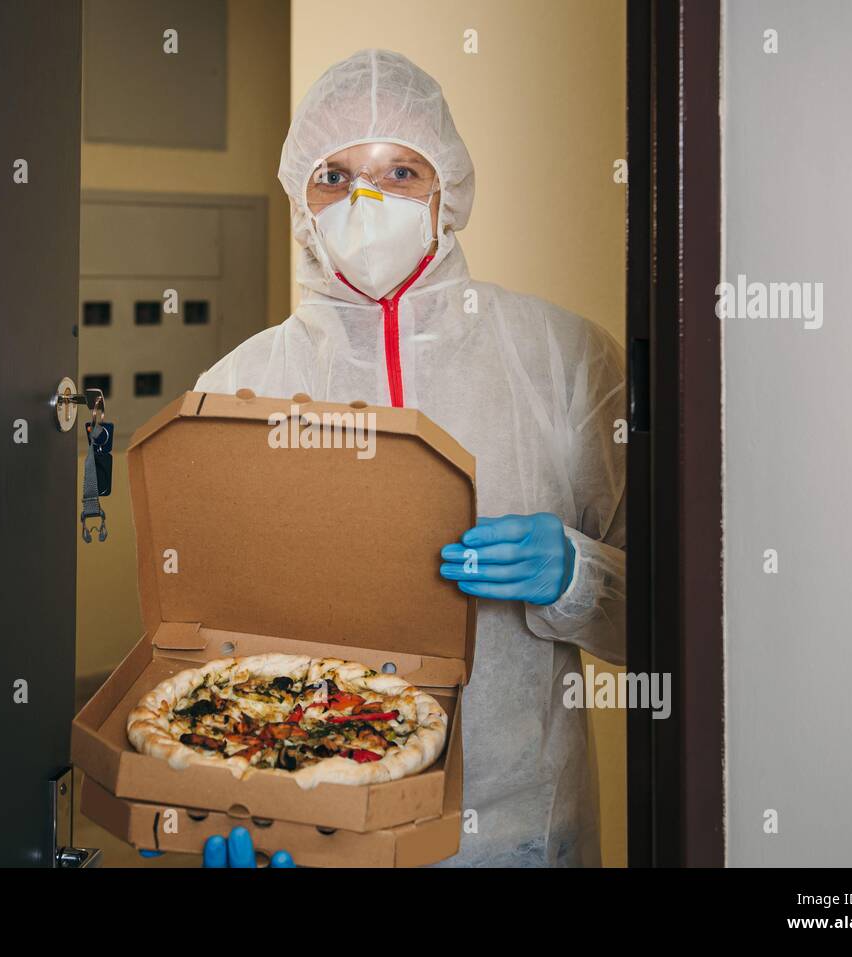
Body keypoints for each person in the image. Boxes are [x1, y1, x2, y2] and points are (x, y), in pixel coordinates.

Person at [193, 49, 625, 867]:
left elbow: (679, 626)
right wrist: (218, 799)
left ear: (447, 192)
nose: (365, 202)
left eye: (399, 170)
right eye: (333, 175)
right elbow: (203, 638)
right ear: (300, 201)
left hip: (521, 833)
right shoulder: (240, 387)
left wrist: (577, 575)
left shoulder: (560, 358)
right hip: (314, 828)